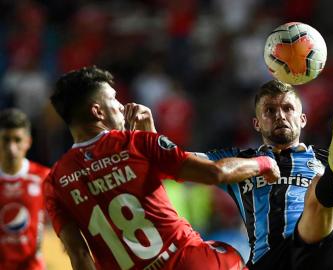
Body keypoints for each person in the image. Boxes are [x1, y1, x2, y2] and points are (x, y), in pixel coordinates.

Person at [43, 66, 281, 270]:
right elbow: (215, 173)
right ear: (97, 111)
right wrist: (264, 162)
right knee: (236, 256)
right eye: (114, 99)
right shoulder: (136, 143)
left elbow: (80, 256)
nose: (120, 104)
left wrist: (149, 134)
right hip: (187, 261)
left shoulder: (55, 182)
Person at [202, 79, 333, 270]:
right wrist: (159, 144)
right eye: (270, 111)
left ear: (303, 119)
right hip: (267, 262)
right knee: (321, 187)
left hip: (314, 251)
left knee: (318, 190)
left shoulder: (322, 160)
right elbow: (181, 160)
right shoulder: (240, 160)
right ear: (256, 123)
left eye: (288, 108)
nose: (280, 116)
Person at [0, 108, 50, 270]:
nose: (11, 147)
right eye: (5, 140)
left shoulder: (44, 177)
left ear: (28, 142)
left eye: (17, 140)